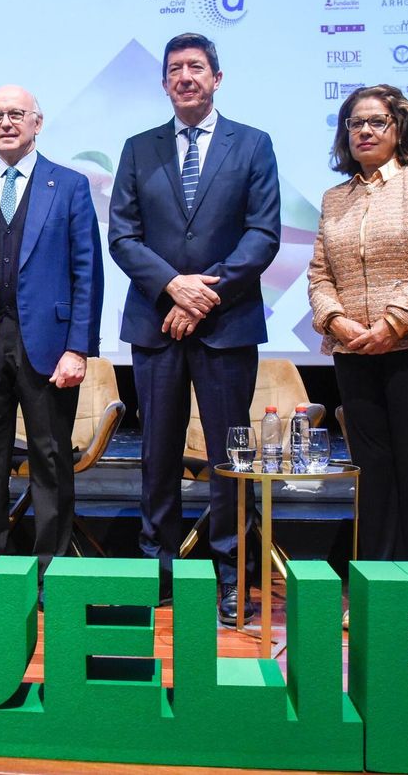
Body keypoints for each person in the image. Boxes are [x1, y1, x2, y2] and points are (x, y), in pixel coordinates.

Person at [108, 33, 281, 626]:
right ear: (163, 83)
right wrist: (172, 287)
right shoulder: (138, 148)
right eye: (175, 69)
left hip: (226, 324)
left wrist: (203, 292)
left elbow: (263, 235)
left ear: (217, 78)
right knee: (157, 453)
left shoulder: (253, 145)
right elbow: (123, 236)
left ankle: (232, 578)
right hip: (156, 324)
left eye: (197, 68)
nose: (186, 77)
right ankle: (157, 573)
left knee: (229, 457)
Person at [308, 83, 408, 638]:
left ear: (400, 127)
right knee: (372, 472)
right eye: (355, 123)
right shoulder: (335, 198)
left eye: (376, 122)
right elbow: (319, 274)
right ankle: (373, 586)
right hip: (355, 352)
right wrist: (337, 322)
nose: (364, 132)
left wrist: (394, 323)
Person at [0, 85, 103, 605]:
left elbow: (86, 270)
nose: (6, 123)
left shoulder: (69, 186)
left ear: (37, 122)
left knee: (51, 460)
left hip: (49, 346)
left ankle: (51, 572)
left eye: (16, 114)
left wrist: (79, 347)